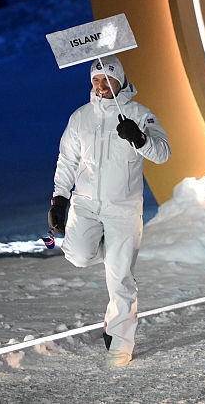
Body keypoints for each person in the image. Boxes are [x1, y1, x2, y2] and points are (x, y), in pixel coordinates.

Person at [47, 54, 170, 368]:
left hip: (123, 209)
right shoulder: (81, 118)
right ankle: (114, 251)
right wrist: (59, 199)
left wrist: (139, 138)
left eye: (107, 79)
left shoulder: (139, 114)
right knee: (78, 255)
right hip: (86, 205)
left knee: (120, 279)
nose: (101, 86)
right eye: (96, 80)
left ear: (120, 80)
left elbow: (163, 153)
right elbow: (67, 160)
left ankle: (119, 341)